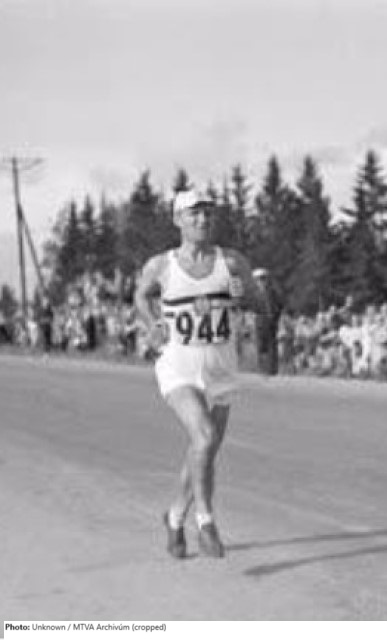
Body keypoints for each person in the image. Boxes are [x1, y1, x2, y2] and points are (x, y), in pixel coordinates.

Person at [135, 187, 269, 560]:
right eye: (194, 213)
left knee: (204, 451)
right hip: (179, 365)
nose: (202, 219)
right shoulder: (161, 265)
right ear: (177, 219)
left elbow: (261, 304)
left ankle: (174, 517)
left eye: (208, 212)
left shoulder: (232, 261)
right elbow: (141, 296)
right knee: (205, 436)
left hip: (221, 367)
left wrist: (244, 297)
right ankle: (205, 521)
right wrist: (152, 323)